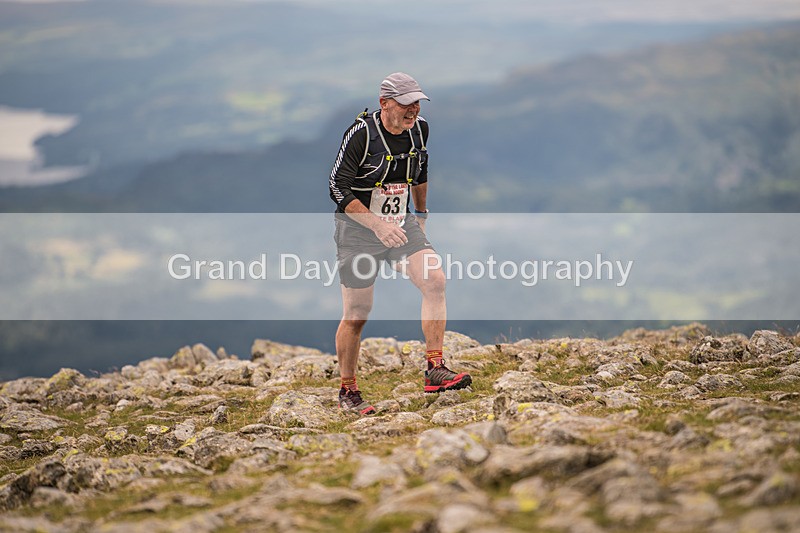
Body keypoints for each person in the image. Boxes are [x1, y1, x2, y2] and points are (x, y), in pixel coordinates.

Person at [328, 72, 472, 415]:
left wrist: (420, 213)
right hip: (358, 229)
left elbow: (420, 172)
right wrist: (376, 225)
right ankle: (348, 391)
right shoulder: (360, 135)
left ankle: (434, 369)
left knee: (434, 279)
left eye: (417, 102)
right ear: (384, 104)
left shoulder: (419, 129)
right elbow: (337, 187)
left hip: (401, 223)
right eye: (407, 103)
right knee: (358, 314)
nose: (414, 110)